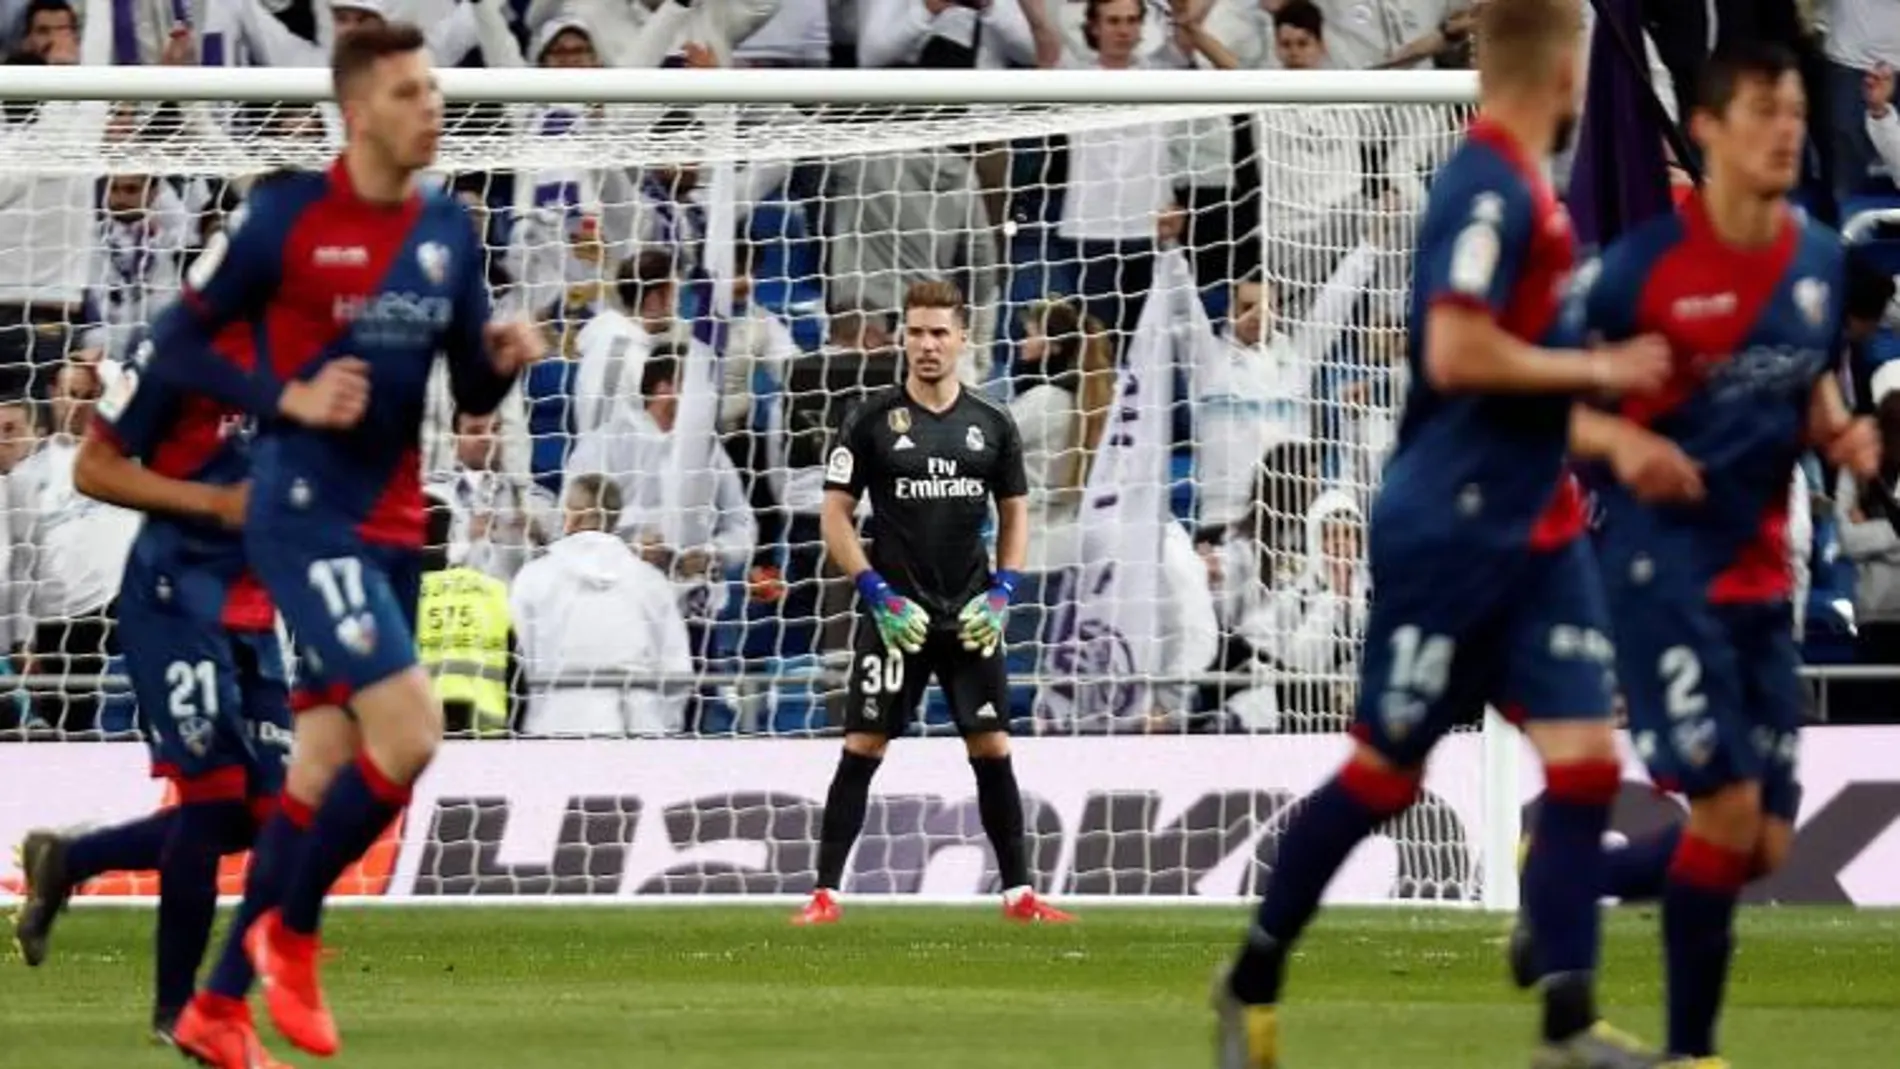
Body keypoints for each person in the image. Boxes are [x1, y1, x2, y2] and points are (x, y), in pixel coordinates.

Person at [1210, 2, 1676, 1067]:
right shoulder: (1483, 186)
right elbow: (1460, 355)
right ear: (1563, 69)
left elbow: (1515, 389)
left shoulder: (1532, 195)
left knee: (1584, 763)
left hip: (1537, 531)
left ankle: (1565, 1026)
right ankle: (1251, 975)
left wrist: (1608, 432)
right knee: (1386, 777)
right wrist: (1601, 372)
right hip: (1446, 534)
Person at [139, 22, 542, 1065]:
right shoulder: (284, 218)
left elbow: (470, 384)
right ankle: (295, 931)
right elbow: (176, 343)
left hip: (396, 522)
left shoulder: (448, 225)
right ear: (359, 110)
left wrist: (501, 361)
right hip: (300, 510)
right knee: (410, 732)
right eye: (411, 93)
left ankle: (217, 1005)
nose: (433, 108)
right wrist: (287, 394)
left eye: (434, 90)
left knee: (320, 764)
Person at [1542, 42, 1877, 1067]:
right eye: (1764, 112)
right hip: (1659, 571)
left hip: (1756, 577)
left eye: (1793, 112)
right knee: (1726, 809)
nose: (1787, 130)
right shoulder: (1640, 273)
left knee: (1762, 844)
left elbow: (1808, 381)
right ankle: (1693, 1053)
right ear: (1706, 129)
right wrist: (1626, 442)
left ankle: (1563, 883)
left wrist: (1839, 433)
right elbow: (1544, 408)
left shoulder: (1818, 257)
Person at [9, 337, 290, 1048]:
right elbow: (93, 470)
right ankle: (177, 1010)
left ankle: (71, 860)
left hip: (255, 608)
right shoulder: (173, 353)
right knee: (213, 793)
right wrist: (209, 501)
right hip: (176, 600)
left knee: (262, 810)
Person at [791, 279, 1071, 927]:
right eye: (915, 331)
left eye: (939, 332)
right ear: (902, 336)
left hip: (971, 616)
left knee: (993, 747)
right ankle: (825, 894)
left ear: (962, 337)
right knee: (862, 744)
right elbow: (834, 515)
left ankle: (1019, 895)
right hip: (896, 617)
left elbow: (1015, 513)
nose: (926, 344)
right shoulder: (867, 419)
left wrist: (1005, 590)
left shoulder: (992, 421)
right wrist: (874, 590)